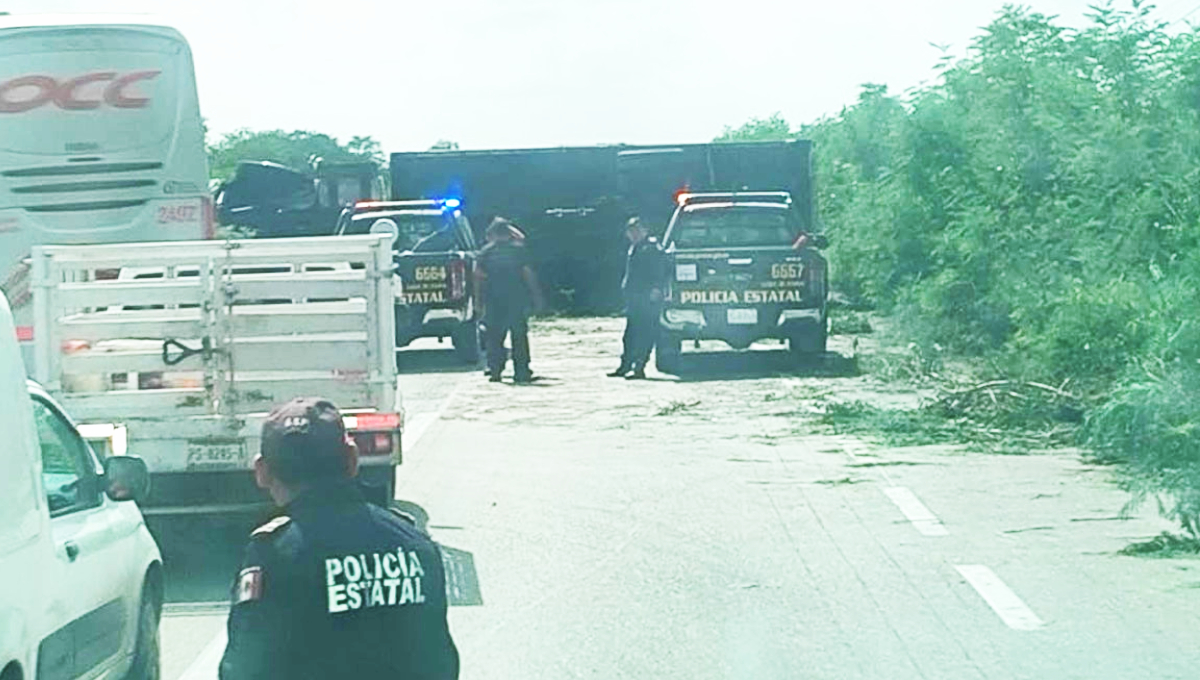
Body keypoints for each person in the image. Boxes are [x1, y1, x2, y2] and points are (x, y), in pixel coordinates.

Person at [219, 397, 459, 680]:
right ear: (352, 460)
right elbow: (441, 662)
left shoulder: (273, 555)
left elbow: (245, 668)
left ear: (262, 472)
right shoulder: (415, 545)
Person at [475, 217, 542, 384]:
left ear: (492, 233)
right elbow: (528, 275)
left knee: (494, 337)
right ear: (508, 233)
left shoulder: (485, 253)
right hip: (516, 299)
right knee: (519, 336)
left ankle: (495, 371)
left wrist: (478, 302)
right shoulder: (518, 251)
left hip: (493, 300)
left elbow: (478, 278)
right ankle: (522, 372)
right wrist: (537, 297)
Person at [609, 217, 667, 380]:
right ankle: (625, 366)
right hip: (634, 298)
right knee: (630, 335)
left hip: (647, 298)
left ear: (645, 231)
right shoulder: (635, 247)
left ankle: (639, 367)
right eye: (630, 231)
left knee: (645, 334)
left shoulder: (651, 248)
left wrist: (656, 289)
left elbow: (660, 270)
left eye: (637, 230)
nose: (633, 234)